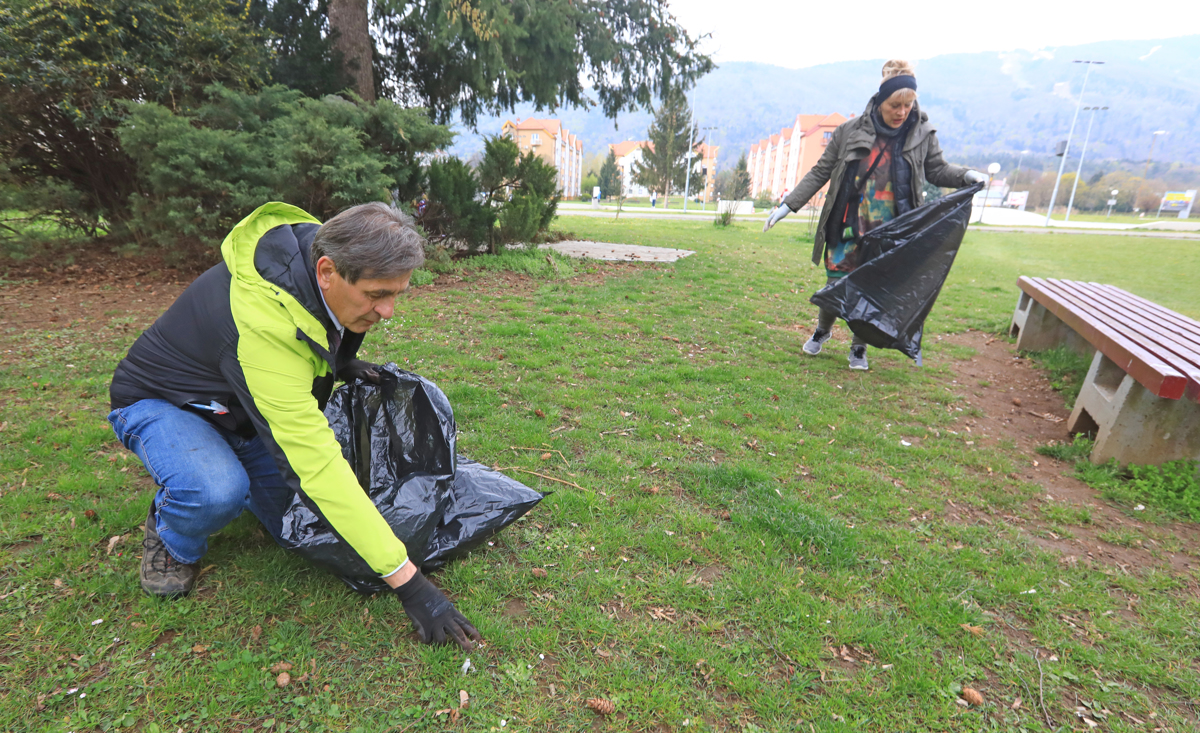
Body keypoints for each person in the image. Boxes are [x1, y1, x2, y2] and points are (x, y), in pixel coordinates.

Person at [107, 201, 482, 650]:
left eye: (397, 293)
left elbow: (327, 325)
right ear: (327, 272)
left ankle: (227, 467)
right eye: (377, 295)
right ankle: (172, 533)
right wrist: (410, 584)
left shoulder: (324, 253)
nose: (389, 311)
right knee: (216, 491)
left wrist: (343, 363)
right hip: (167, 404)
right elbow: (314, 466)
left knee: (300, 524)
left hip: (241, 412)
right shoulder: (264, 327)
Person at [762, 60, 987, 371]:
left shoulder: (922, 134)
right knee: (836, 282)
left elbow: (937, 170)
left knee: (869, 287)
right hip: (847, 223)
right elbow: (820, 171)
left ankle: (858, 347)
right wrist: (788, 205)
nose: (902, 112)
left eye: (908, 105)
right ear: (881, 100)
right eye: (896, 104)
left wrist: (967, 175)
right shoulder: (849, 131)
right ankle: (823, 330)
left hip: (891, 229)